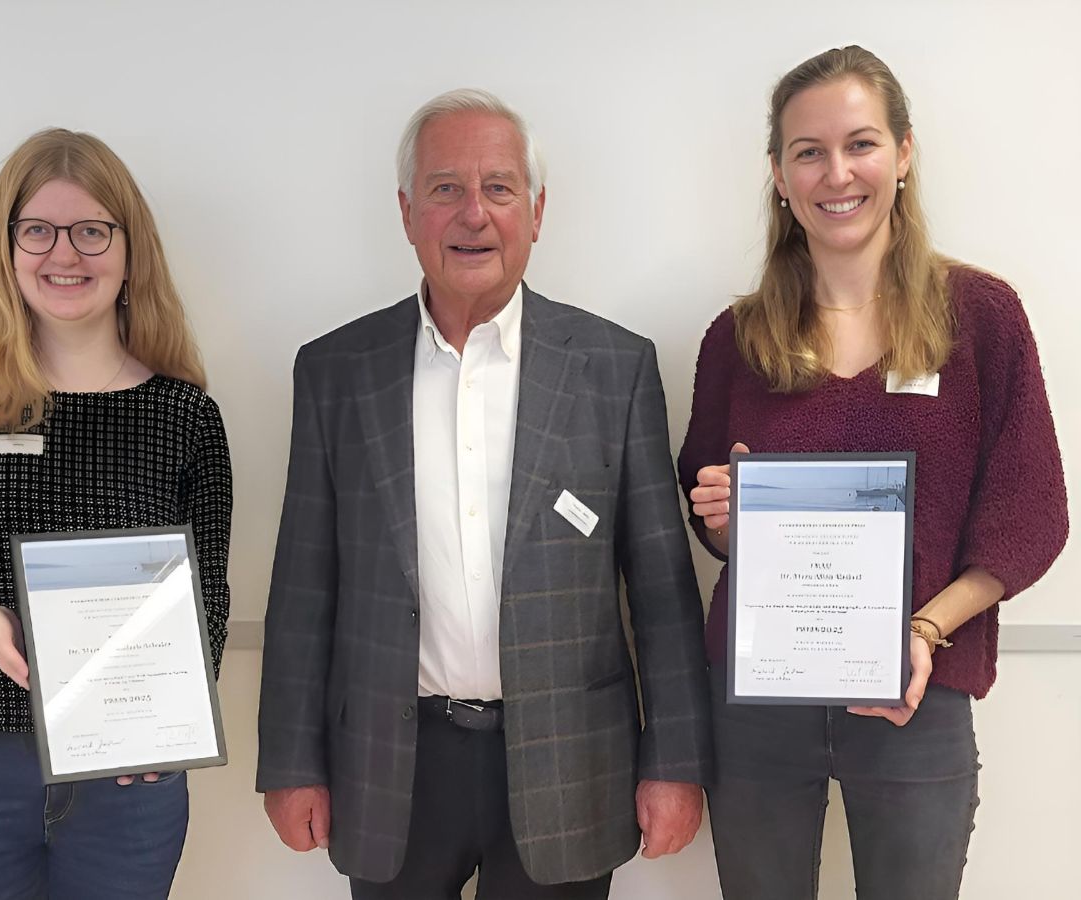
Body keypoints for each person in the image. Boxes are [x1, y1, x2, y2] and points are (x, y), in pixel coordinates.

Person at [257, 88, 713, 899]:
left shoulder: (615, 368)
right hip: (390, 767)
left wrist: (675, 763)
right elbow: (303, 586)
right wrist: (291, 763)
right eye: (445, 189)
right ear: (406, 213)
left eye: (499, 188)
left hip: (569, 761)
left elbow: (661, 590)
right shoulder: (336, 372)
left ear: (536, 211)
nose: (474, 214)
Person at [677, 45, 1068, 900]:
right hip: (758, 702)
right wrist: (724, 520)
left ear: (904, 153)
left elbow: (1031, 515)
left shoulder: (981, 318)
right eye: (808, 151)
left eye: (860, 143)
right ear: (778, 174)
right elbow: (712, 522)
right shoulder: (734, 339)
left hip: (917, 692)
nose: (836, 173)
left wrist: (923, 634)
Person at [0, 128, 232, 899]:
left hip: (126, 785)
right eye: (37, 230)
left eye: (91, 231)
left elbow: (206, 599)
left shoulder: (185, 416)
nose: (64, 254)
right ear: (5, 249)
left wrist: (173, 710)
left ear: (129, 247)